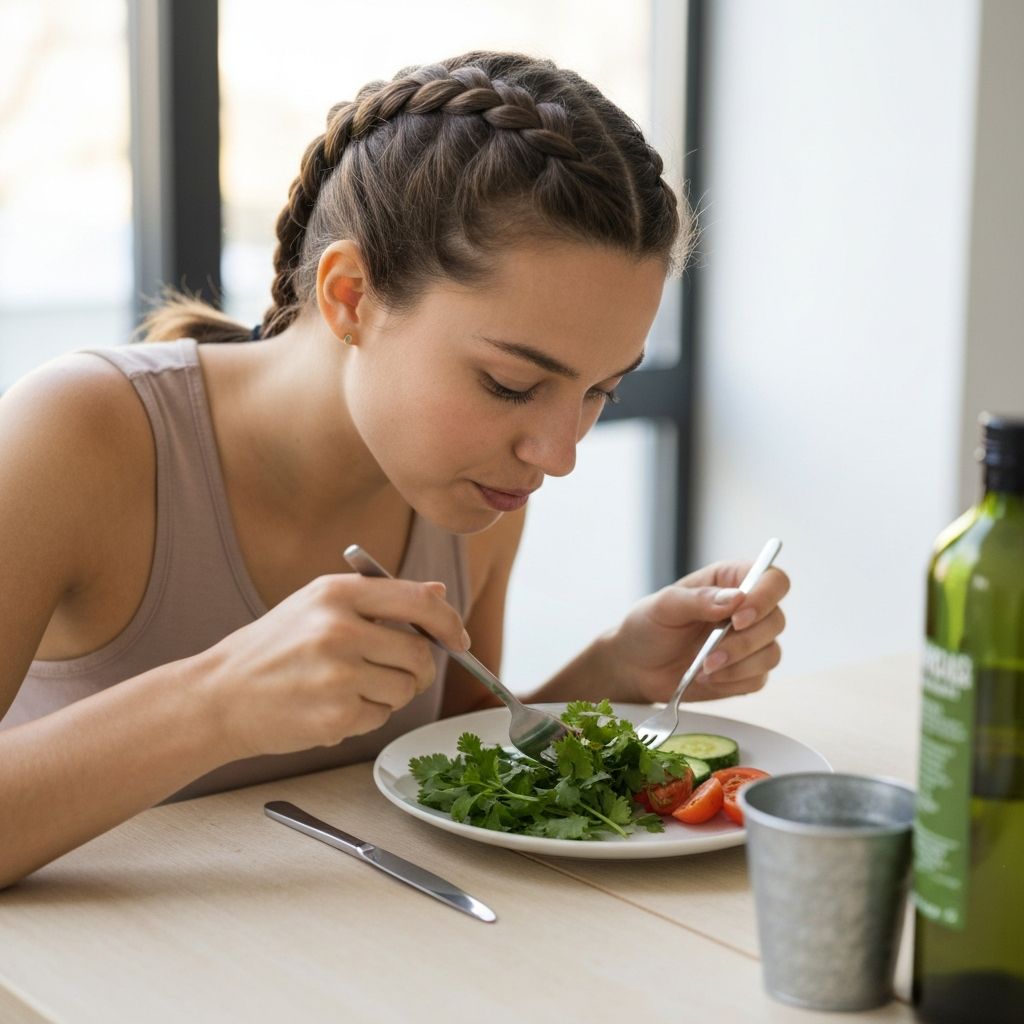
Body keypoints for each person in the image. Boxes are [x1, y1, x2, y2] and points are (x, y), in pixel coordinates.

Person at [0, 51, 788, 887]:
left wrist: (614, 673)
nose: (558, 455)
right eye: (511, 384)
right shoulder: (77, 434)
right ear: (350, 296)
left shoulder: (474, 487)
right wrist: (215, 701)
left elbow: (446, 766)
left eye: (600, 390)